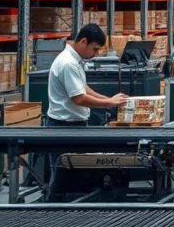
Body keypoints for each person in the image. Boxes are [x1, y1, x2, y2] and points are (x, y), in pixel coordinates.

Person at [47, 24, 128, 197]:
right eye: (95, 49)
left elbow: (83, 88)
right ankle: (52, 208)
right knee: (63, 177)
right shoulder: (68, 63)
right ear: (83, 41)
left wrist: (108, 99)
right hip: (63, 128)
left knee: (76, 176)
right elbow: (79, 98)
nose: (96, 54)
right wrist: (109, 103)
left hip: (73, 126)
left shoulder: (74, 60)